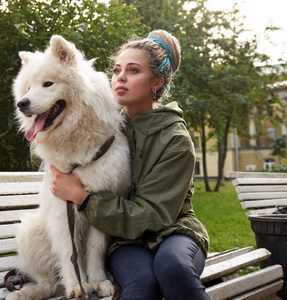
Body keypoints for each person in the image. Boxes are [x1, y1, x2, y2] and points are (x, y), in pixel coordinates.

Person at [49, 29, 210, 300]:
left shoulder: (176, 139)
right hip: (123, 241)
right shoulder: (105, 127)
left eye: (133, 71)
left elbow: (154, 215)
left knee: (173, 268)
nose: (120, 77)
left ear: (157, 82)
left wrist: (82, 197)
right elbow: (54, 144)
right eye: (116, 70)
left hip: (173, 231)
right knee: (141, 282)